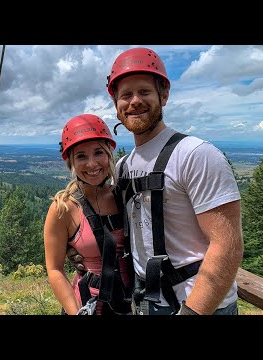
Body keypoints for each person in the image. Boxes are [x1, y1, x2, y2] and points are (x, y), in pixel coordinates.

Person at [68, 47, 243, 315]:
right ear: (116, 107)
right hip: (147, 302)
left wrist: (193, 311)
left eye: (144, 92)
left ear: (164, 95)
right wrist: (80, 250)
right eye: (125, 95)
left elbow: (227, 246)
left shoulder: (196, 155)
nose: (134, 101)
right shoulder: (124, 167)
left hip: (201, 304)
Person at [44, 114, 133, 315]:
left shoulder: (124, 197)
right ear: (72, 162)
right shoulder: (64, 208)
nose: (92, 164)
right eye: (81, 156)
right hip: (89, 305)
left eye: (98, 153)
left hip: (132, 303)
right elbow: (55, 269)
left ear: (109, 154)